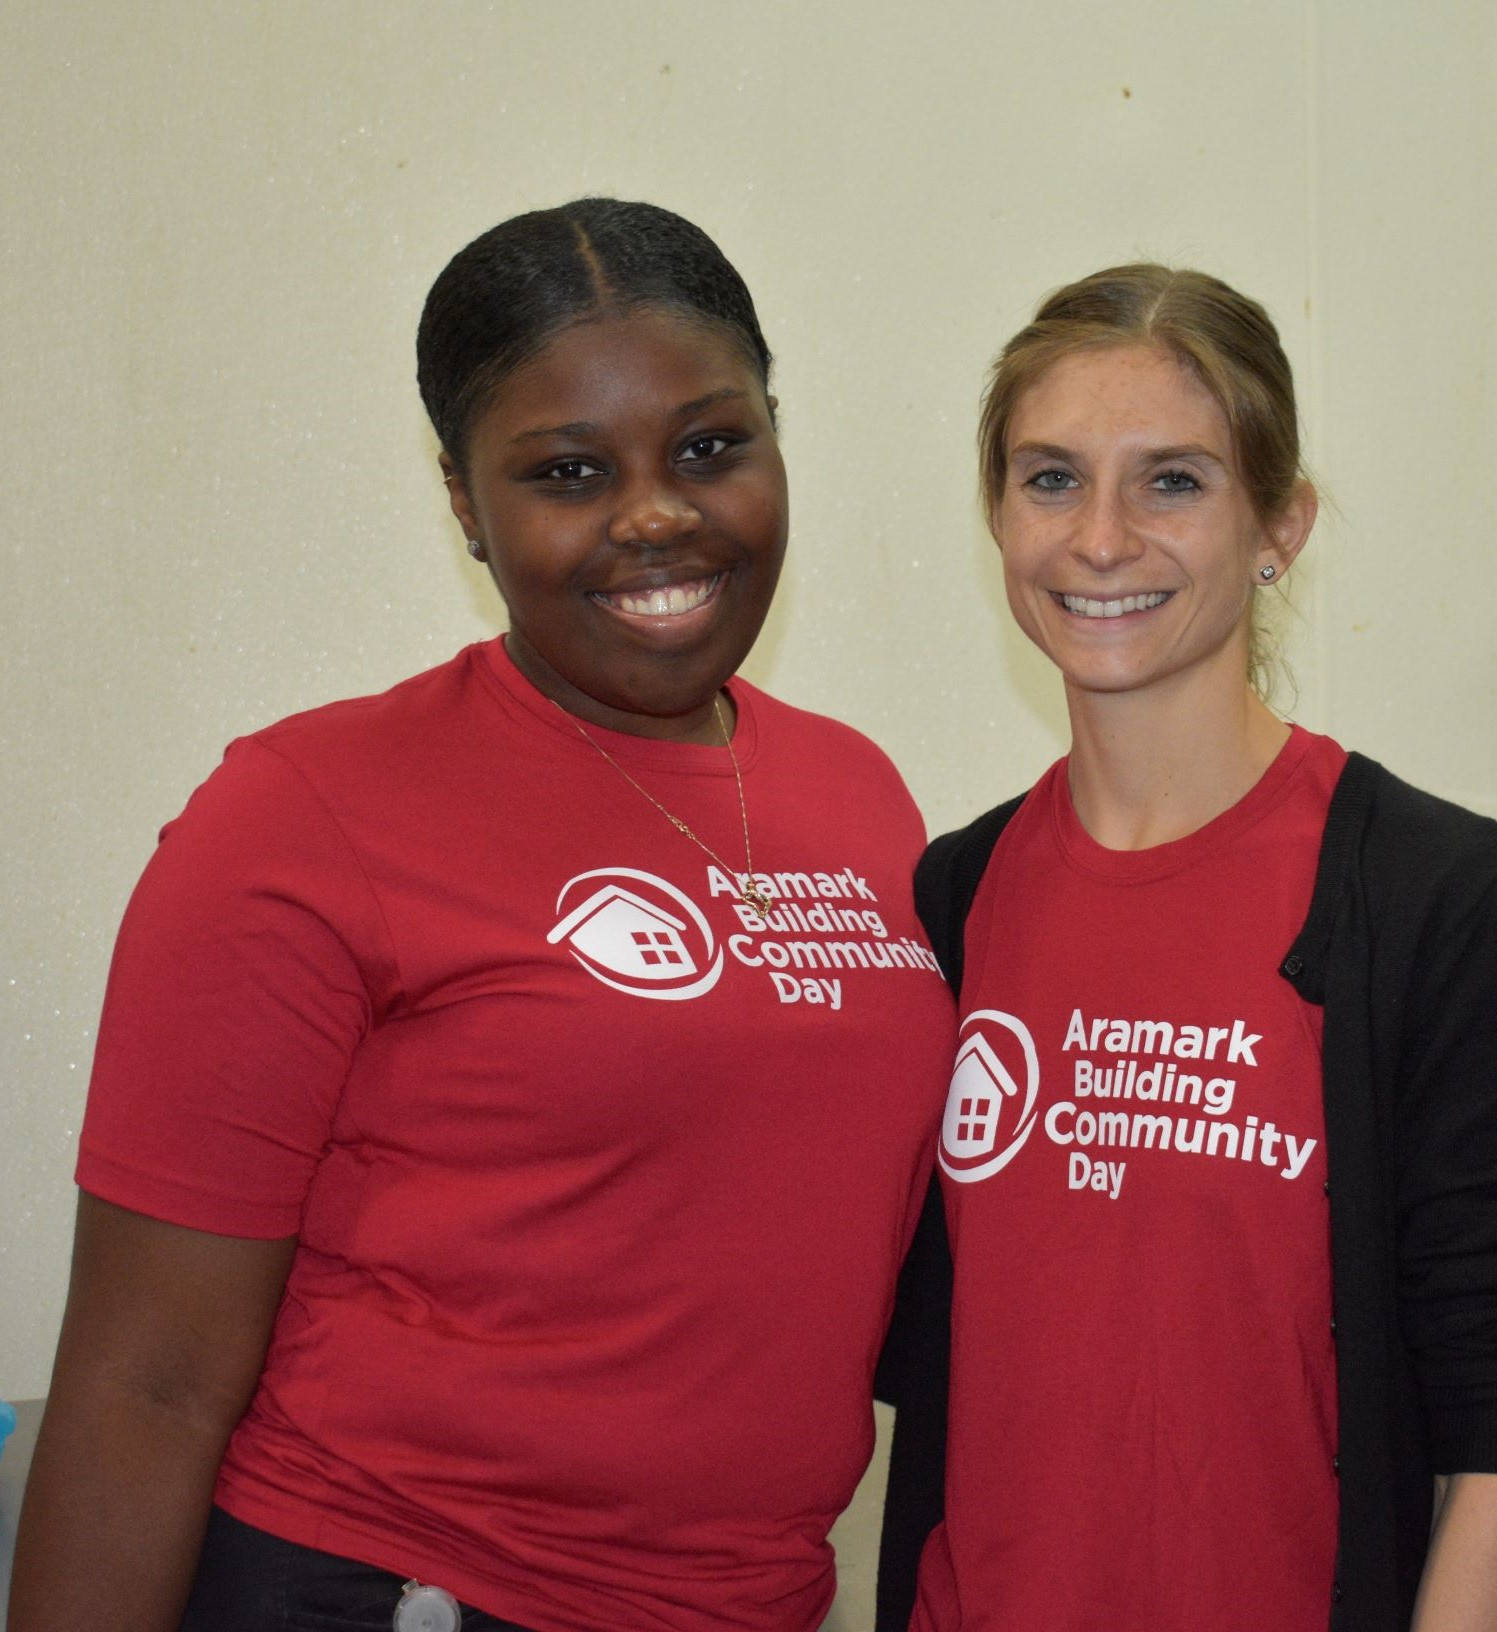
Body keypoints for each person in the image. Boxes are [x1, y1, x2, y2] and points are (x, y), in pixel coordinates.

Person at [10, 199, 955, 1632]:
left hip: (749, 1599)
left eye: (711, 446)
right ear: (463, 502)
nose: (655, 514)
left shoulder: (860, 793)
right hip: (386, 1586)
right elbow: (147, 1386)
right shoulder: (304, 813)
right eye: (568, 471)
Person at [874, 264, 1497, 1631]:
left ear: (1280, 525)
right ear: (998, 516)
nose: (1100, 539)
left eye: (1173, 482)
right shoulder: (958, 896)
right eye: (1050, 479)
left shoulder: (1425, 898)